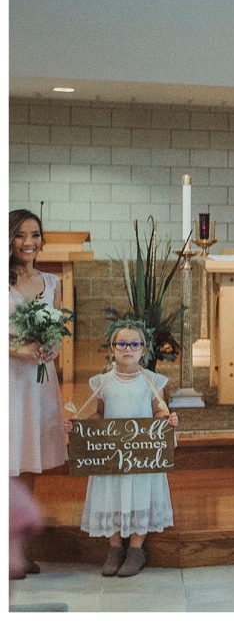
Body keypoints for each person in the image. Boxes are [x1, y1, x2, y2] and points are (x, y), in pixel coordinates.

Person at [64, 320, 178, 577]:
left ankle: (136, 549)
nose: (128, 348)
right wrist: (80, 428)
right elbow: (98, 415)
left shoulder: (152, 381)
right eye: (122, 344)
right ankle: (115, 547)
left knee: (139, 494)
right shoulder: (103, 382)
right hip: (112, 455)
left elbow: (159, 411)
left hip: (140, 456)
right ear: (112, 349)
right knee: (112, 494)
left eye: (134, 344)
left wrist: (168, 421)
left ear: (144, 349)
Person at [9, 209, 68, 576]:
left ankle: (19, 546)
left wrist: (51, 347)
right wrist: (18, 350)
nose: (28, 243)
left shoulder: (52, 282)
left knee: (29, 458)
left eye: (35, 235)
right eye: (20, 235)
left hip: (40, 381)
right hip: (10, 378)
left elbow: (59, 329)